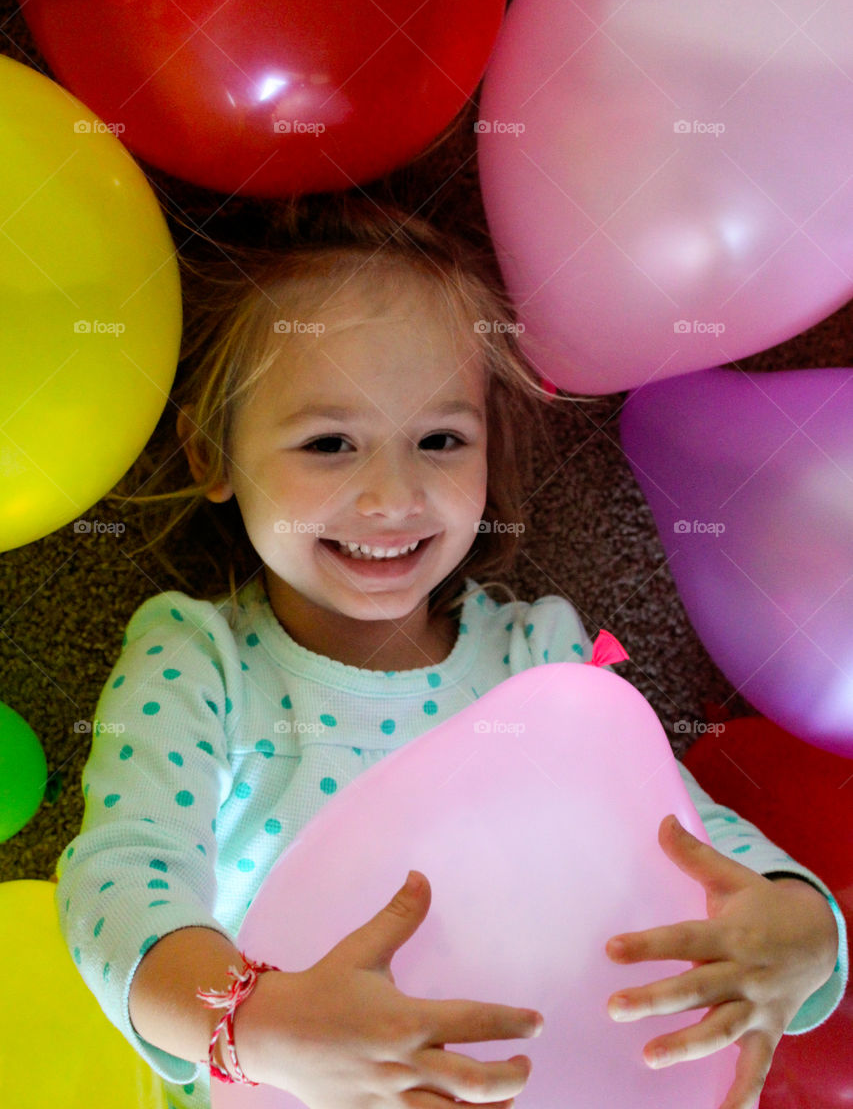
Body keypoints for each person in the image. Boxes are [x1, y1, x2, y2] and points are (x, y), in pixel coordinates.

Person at [55, 197, 847, 1109]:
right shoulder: (203, 663)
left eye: (439, 441)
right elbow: (121, 876)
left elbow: (683, 835)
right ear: (212, 452)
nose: (393, 495)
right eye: (329, 443)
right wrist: (251, 1023)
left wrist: (796, 920)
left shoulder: (540, 657)